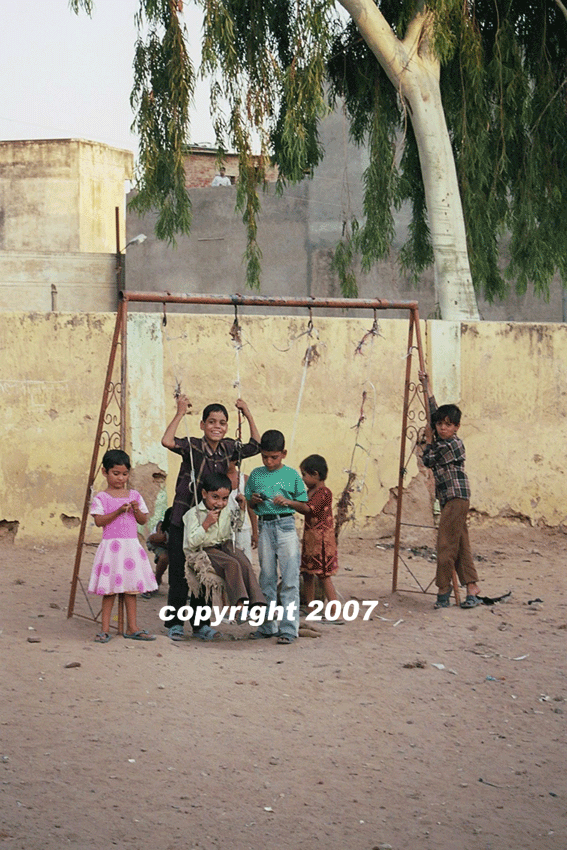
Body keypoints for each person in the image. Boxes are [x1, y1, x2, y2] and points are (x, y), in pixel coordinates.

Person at [161, 395, 261, 641]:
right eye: (212, 422)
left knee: (205, 575)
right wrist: (180, 412)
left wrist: (247, 412)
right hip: (184, 519)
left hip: (213, 525)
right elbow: (167, 440)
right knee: (180, 574)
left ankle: (200, 625)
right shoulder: (193, 446)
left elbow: (256, 445)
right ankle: (174, 623)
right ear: (203, 425)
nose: (217, 426)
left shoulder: (229, 448)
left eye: (222, 422)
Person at [418, 371, 481, 609]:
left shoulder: (452, 444)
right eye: (440, 424)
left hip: (455, 497)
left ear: (456, 427)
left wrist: (427, 439)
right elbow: (433, 411)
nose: (443, 427)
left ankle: (443, 591)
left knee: (446, 544)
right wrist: (427, 387)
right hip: (451, 498)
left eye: (448, 425)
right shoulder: (445, 439)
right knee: (461, 544)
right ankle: (472, 587)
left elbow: (428, 460)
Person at [88, 449, 157, 642]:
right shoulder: (102, 498)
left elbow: (143, 520)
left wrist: (135, 509)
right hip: (111, 549)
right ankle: (104, 629)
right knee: (109, 590)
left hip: (130, 548)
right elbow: (100, 521)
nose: (120, 478)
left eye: (125, 474)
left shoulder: (134, 495)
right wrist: (118, 511)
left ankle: (132, 626)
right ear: (105, 472)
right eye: (115, 474)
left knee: (131, 589)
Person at [245, 430, 308, 644]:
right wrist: (253, 500)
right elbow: (249, 503)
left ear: (284, 454)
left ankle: (289, 629)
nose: (269, 462)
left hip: (286, 525)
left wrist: (288, 502)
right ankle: (267, 626)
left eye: (274, 457)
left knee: (290, 579)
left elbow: (305, 506)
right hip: (265, 526)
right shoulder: (255, 475)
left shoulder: (292, 475)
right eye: (265, 457)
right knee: (267, 578)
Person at [183, 471, 266, 614]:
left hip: (225, 545)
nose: (220, 503)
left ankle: (258, 604)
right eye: (215, 497)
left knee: (244, 562)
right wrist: (206, 524)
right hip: (205, 549)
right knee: (231, 564)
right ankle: (239, 606)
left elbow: (237, 527)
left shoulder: (226, 510)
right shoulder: (194, 514)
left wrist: (241, 510)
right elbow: (191, 543)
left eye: (225, 499)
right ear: (204, 494)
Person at [297, 454, 339, 607]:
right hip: (310, 540)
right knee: (307, 573)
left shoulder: (323, 492)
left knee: (323, 576)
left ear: (315, 474)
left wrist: (289, 503)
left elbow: (308, 509)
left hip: (321, 542)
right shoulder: (311, 491)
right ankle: (311, 607)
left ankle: (335, 611)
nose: (303, 479)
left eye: (304, 475)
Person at [227, 461, 258, 561]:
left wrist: (255, 532)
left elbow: (251, 509)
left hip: (242, 529)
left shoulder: (245, 479)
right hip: (224, 530)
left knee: (245, 561)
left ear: (235, 460)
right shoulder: (217, 479)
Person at [143, 506, 172, 596]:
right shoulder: (162, 527)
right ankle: (156, 580)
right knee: (164, 557)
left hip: (171, 546)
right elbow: (152, 539)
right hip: (158, 544)